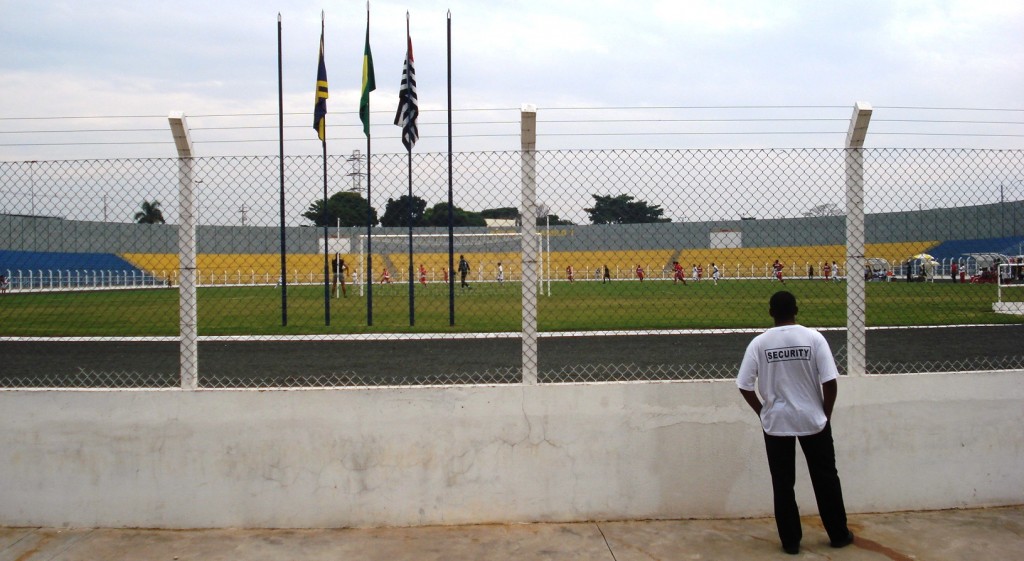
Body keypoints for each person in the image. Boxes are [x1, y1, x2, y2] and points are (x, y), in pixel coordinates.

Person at [736, 291, 854, 555]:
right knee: (826, 478)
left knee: (782, 482)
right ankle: (838, 533)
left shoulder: (759, 343)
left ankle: (790, 542)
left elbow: (744, 385)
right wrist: (826, 413)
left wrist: (763, 412)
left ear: (770, 313)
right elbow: (830, 382)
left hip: (776, 422)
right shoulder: (814, 338)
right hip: (813, 418)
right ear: (796, 310)